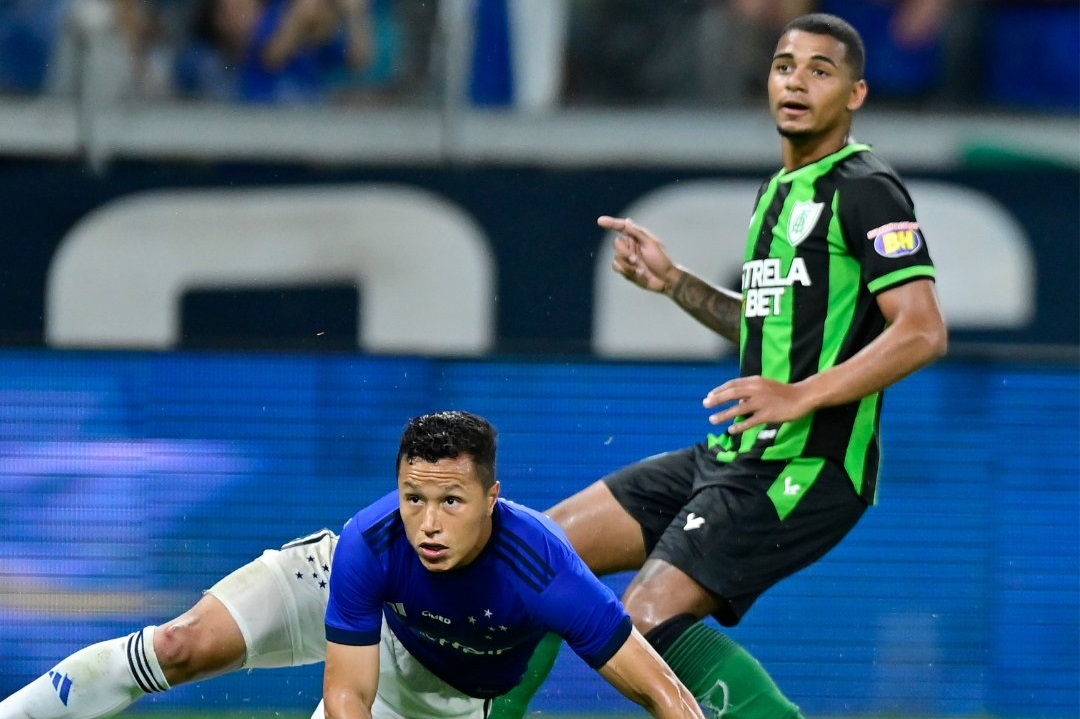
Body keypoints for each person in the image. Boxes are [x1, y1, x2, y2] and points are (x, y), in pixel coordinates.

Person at [496, 11, 949, 719]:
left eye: (819, 70)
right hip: (734, 455)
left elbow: (922, 330)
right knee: (540, 551)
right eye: (783, 65)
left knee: (640, 620)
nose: (796, 82)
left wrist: (800, 395)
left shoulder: (866, 187)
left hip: (808, 466)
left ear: (855, 95)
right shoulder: (778, 192)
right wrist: (674, 281)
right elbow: (769, 325)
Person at [1, 411, 704, 719]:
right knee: (178, 643)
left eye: (452, 501)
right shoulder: (374, 538)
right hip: (343, 589)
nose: (428, 522)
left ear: (493, 497)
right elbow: (347, 697)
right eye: (413, 497)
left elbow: (664, 694)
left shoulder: (543, 567)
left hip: (440, 693)